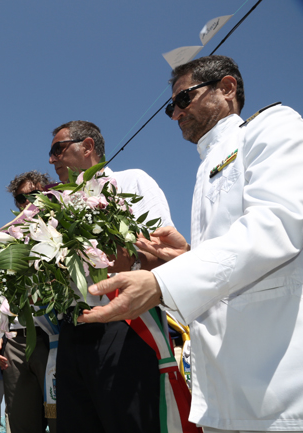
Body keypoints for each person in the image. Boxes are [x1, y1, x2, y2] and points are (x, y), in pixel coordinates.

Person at [81, 55, 303, 433]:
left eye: (183, 99)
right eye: (171, 106)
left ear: (228, 88)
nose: (174, 114)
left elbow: (280, 224)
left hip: (277, 386)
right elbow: (227, 258)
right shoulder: (206, 167)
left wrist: (163, 282)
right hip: (221, 390)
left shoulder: (273, 126)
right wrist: (182, 257)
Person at [48, 120, 174, 433]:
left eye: (57, 149)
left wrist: (112, 257)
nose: (52, 160)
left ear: (87, 146)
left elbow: (161, 252)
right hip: (72, 330)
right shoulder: (56, 206)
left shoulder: (132, 181)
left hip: (125, 324)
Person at [0, 170, 57, 433]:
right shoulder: (8, 239)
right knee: (21, 421)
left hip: (54, 339)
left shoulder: (64, 229)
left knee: (58, 417)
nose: (28, 202)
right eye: (21, 198)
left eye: (35, 195)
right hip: (16, 342)